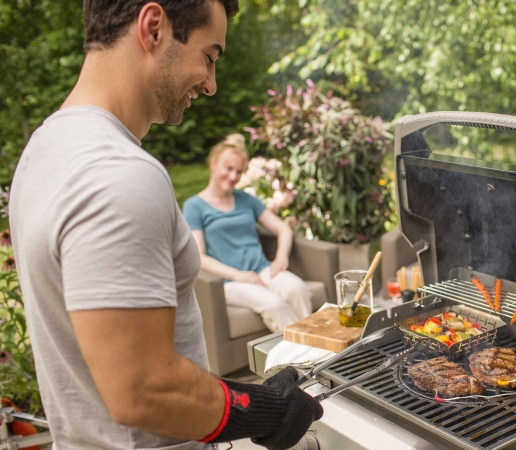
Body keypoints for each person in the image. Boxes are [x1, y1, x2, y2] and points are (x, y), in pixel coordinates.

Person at [8, 1, 321, 449]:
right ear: (154, 27)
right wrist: (268, 409)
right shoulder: (118, 171)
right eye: (209, 57)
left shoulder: (44, 150)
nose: (211, 84)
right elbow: (144, 390)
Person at [183, 134, 312, 331]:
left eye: (239, 172)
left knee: (298, 289)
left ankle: (316, 349)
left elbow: (283, 228)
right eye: (229, 169)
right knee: (275, 305)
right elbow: (199, 257)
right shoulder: (194, 206)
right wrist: (238, 275)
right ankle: (307, 358)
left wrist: (281, 258)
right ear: (214, 163)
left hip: (262, 269)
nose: (234, 177)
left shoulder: (245, 199)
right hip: (228, 282)